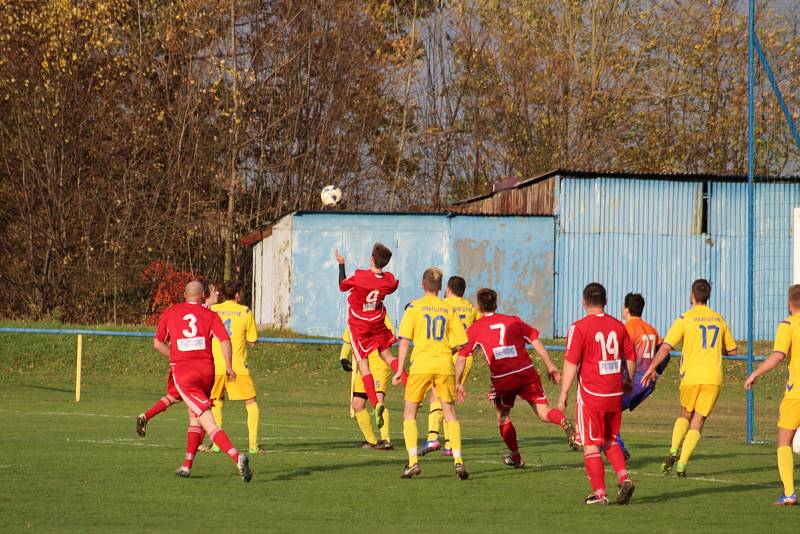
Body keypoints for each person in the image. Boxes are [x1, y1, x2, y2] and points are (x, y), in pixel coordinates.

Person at [455, 288, 577, 469]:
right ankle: (563, 421)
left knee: (503, 417)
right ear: (496, 304)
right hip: (526, 372)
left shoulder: (476, 329)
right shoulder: (513, 321)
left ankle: (516, 456)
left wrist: (458, 382)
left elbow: (462, 356)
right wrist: (550, 365)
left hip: (503, 378)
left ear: (478, 307)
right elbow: (535, 340)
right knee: (543, 412)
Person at [152, 280, 251, 482]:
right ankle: (187, 465)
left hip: (185, 373)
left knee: (208, 421)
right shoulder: (211, 314)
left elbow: (157, 343)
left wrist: (175, 356)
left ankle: (236, 456)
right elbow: (225, 340)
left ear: (185, 294)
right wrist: (230, 366)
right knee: (195, 416)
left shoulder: (172, 312)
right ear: (203, 295)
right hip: (207, 372)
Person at [642, 278, 737, 478]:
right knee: (699, 421)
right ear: (708, 297)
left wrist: (652, 368)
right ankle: (682, 464)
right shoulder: (719, 319)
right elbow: (733, 350)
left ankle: (674, 449)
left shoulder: (685, 318)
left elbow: (666, 346)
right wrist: (715, 350)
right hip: (712, 376)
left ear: (691, 296)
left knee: (685, 413)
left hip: (691, 376)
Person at [558, 283, 636, 505]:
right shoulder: (619, 326)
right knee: (610, 439)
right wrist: (628, 381)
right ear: (606, 301)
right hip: (614, 393)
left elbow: (571, 362)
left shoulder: (579, 327)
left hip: (592, 394)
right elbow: (630, 356)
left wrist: (563, 392)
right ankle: (624, 478)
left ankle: (600, 493)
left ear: (583, 301)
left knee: (591, 443)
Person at [393, 267, 469, 480]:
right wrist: (447, 350)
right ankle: (458, 460)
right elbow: (462, 342)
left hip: (421, 366)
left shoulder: (414, 307)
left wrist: (399, 370)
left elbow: (405, 341)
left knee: (410, 413)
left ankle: (412, 463)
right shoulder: (447, 309)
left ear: (422, 284)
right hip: (444, 365)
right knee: (450, 413)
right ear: (440, 287)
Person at [136, 280, 220, 437]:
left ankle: (145, 416)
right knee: (195, 406)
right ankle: (196, 442)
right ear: (205, 295)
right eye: (215, 292)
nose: (218, 294)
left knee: (175, 396)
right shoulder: (205, 311)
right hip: (192, 364)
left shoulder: (189, 309)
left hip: (183, 363)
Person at [336, 244, 407, 428]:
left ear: (372, 259)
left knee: (363, 365)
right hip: (377, 323)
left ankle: (376, 406)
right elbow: (392, 285)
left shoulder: (360, 276)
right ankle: (410, 386)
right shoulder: (389, 281)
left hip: (359, 326)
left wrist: (341, 264)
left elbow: (342, 285)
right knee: (388, 356)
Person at [744, 284, 800, 505]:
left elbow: (778, 355)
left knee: (784, 441)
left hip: (796, 393)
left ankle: (789, 493)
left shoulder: (787, 325)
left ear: (789, 305)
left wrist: (755, 373)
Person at [202, 280, 261, 455]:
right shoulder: (245, 311)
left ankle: (216, 445)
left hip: (216, 366)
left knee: (216, 402)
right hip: (237, 367)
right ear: (237, 294)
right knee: (250, 403)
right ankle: (253, 446)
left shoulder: (213, 310)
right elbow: (253, 341)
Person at [423, 276, 479, 456]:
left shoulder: (443, 304)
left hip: (448, 354)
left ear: (448, 289)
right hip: (466, 356)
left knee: (435, 395)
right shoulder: (470, 308)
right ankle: (448, 443)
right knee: (448, 399)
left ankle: (433, 438)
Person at [615, 293, 668, 460]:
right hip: (648, 383)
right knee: (611, 412)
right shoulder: (651, 329)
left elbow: (623, 356)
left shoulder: (628, 328)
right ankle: (615, 446)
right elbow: (665, 355)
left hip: (634, 380)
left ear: (626, 309)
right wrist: (656, 372)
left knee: (607, 411)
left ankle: (618, 449)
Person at [339, 315, 395, 450]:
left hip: (379, 363)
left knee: (378, 400)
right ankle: (372, 441)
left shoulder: (379, 313)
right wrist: (343, 358)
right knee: (357, 404)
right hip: (363, 364)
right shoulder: (354, 314)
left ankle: (386, 440)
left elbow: (388, 336)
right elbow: (349, 339)